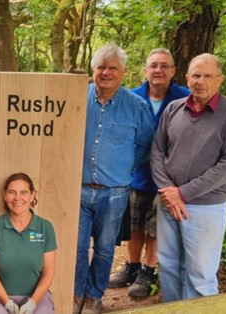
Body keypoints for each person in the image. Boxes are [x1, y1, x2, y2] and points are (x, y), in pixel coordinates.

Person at [150, 53, 226, 302]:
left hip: (205, 207)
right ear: (187, 78)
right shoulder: (173, 108)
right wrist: (168, 191)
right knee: (169, 267)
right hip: (167, 202)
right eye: (195, 75)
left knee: (200, 276)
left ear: (219, 80)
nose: (200, 81)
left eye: (207, 76)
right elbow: (158, 151)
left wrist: (182, 193)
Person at [73, 43, 155, 314]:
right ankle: (75, 295)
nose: (105, 73)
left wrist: (124, 167)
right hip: (79, 188)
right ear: (93, 70)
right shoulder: (76, 99)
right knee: (77, 247)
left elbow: (145, 144)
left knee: (106, 248)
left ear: (123, 73)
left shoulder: (137, 106)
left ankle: (93, 297)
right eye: (100, 67)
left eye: (112, 68)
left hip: (115, 192)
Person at [109, 48, 190, 298]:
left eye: (164, 66)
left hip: (168, 178)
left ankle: (147, 271)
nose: (158, 70)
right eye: (154, 65)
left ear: (173, 71)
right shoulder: (133, 98)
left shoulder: (184, 98)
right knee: (135, 226)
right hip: (136, 174)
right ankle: (131, 267)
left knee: (156, 228)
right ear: (146, 70)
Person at [0, 173, 57, 314]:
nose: (17, 198)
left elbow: (49, 272)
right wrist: (8, 303)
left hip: (36, 297)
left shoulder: (45, 228)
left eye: (24, 192)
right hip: (0, 296)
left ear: (32, 196)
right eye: (12, 192)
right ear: (5, 195)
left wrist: (33, 303)